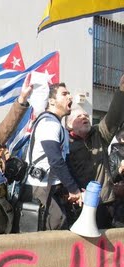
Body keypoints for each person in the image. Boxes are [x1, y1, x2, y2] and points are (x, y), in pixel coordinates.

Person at [19, 83, 82, 231]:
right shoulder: (49, 124)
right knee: (51, 226)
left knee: (59, 223)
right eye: (64, 94)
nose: (70, 96)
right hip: (38, 187)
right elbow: (56, 160)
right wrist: (74, 190)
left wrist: (76, 188)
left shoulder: (59, 127)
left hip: (50, 187)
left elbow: (66, 161)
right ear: (52, 101)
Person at [66, 74, 124, 228]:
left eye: (86, 115)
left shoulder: (99, 134)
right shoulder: (65, 143)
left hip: (104, 203)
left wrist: (121, 92)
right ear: (70, 124)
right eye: (79, 116)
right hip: (80, 203)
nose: (85, 117)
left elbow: (113, 118)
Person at [108, 127, 124, 227]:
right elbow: (110, 179)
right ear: (121, 139)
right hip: (120, 201)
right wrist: (120, 170)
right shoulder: (114, 156)